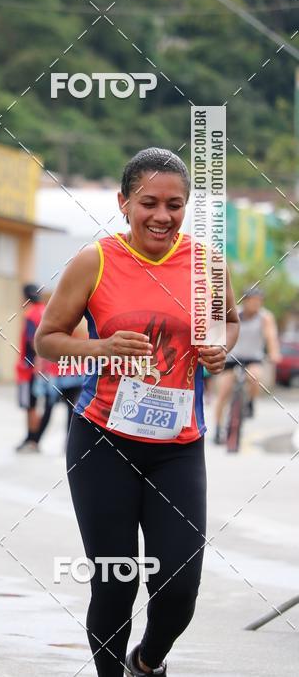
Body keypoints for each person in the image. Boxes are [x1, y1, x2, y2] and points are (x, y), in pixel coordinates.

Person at [35, 148, 239, 677]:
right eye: (148, 203)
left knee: (179, 583)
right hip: (103, 439)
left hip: (178, 446)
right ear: (124, 203)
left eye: (175, 204)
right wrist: (101, 348)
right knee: (115, 580)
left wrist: (219, 346)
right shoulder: (95, 261)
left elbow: (229, 322)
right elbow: (48, 340)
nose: (162, 216)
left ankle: (147, 662)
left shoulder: (208, 264)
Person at [212, 287, 280, 444]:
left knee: (255, 376)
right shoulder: (234, 313)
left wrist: (274, 353)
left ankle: (250, 402)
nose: (256, 304)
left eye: (259, 301)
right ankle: (217, 428)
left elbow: (271, 337)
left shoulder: (265, 317)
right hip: (232, 357)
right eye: (253, 301)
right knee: (223, 391)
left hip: (253, 358)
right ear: (245, 301)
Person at [15, 283, 45, 453]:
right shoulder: (45, 310)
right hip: (43, 367)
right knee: (35, 403)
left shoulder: (31, 314)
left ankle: (32, 439)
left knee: (30, 405)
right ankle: (31, 438)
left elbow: (32, 341)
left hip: (29, 368)